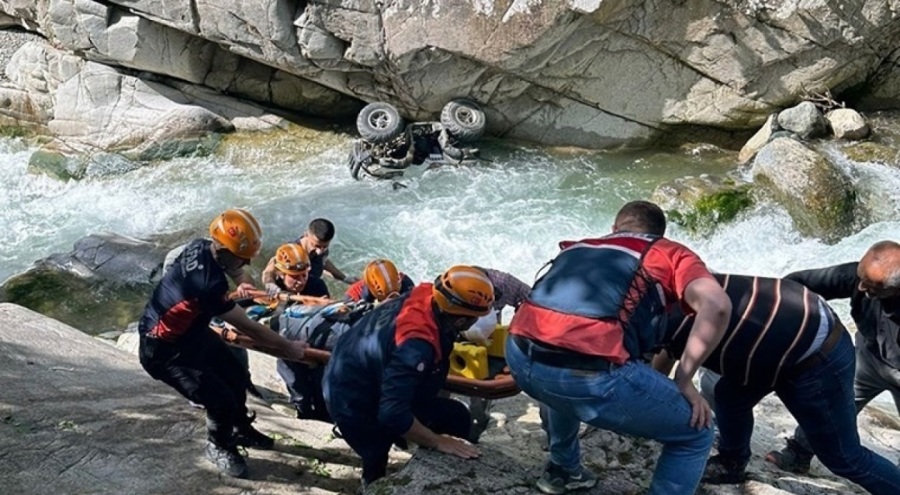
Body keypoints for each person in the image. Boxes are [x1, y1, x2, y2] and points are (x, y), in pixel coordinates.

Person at [506, 200, 731, 495]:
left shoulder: (581, 246)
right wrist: (684, 380)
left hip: (520, 358)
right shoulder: (670, 252)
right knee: (698, 433)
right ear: (660, 234)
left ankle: (563, 469)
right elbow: (717, 306)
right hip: (589, 378)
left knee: (564, 361)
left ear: (614, 229)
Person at [653, 273, 900, 494]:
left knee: (844, 458)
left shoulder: (666, 318)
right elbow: (665, 356)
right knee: (730, 396)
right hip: (772, 347)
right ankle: (732, 462)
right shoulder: (674, 283)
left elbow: (659, 365)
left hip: (814, 357)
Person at [138, 209, 308, 479]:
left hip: (191, 333)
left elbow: (236, 271)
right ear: (229, 252)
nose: (247, 261)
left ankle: (240, 428)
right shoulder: (207, 284)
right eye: (244, 257)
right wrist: (288, 348)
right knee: (220, 399)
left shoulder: (202, 246)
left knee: (236, 375)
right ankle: (218, 445)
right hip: (164, 350)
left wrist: (243, 281)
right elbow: (248, 326)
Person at [323, 265, 493, 488]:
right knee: (375, 453)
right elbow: (392, 412)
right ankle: (374, 484)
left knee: (455, 415)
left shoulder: (425, 294)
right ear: (461, 321)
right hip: (353, 399)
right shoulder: (416, 346)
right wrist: (436, 441)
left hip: (362, 372)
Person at [765, 240, 900, 474]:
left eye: (872, 288)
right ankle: (799, 454)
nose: (860, 289)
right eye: (861, 280)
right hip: (868, 359)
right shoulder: (861, 277)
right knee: (828, 406)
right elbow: (798, 283)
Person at [262, 218, 358, 298]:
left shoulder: (321, 251)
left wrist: (344, 278)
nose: (319, 251)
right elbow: (270, 269)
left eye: (324, 246)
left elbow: (324, 263)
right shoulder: (291, 252)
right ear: (306, 235)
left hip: (312, 290)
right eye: (316, 245)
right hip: (290, 295)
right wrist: (270, 284)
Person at [344, 258, 415, 303]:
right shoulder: (357, 296)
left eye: (395, 293)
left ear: (399, 279)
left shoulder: (406, 283)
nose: (393, 297)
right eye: (388, 295)